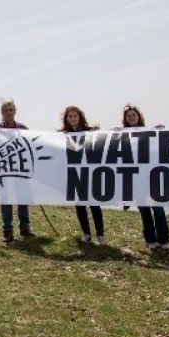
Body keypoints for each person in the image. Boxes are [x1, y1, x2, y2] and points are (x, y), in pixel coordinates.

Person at [121, 104, 169, 250]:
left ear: (139, 116)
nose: (131, 117)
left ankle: (164, 240)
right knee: (144, 211)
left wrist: (162, 132)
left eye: (133, 115)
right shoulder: (122, 135)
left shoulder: (150, 132)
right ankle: (151, 240)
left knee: (158, 210)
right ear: (125, 119)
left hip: (153, 178)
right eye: (128, 115)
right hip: (136, 180)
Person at [60, 105, 105, 245]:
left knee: (94, 205)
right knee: (79, 206)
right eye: (70, 116)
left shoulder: (90, 131)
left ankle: (100, 234)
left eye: (75, 116)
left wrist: (97, 131)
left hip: (90, 174)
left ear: (80, 117)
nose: (73, 118)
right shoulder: (62, 135)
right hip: (75, 175)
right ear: (67, 119)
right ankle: (86, 233)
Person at [0, 99, 33, 244]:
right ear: (1, 113)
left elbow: (32, 146)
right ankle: (7, 231)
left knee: (22, 198)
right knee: (6, 201)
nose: (8, 112)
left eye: (11, 110)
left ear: (15, 111)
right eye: (5, 110)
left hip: (20, 170)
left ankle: (24, 227)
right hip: (4, 172)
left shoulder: (23, 128)